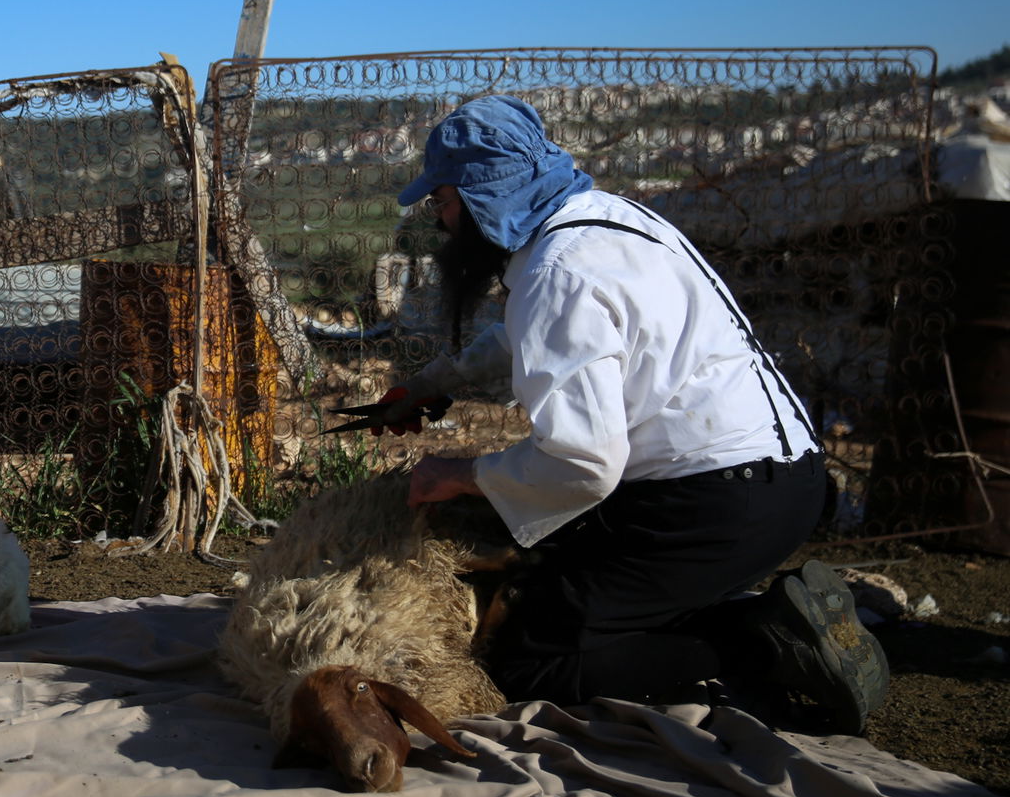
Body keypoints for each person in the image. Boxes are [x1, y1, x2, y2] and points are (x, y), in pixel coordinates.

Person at [378, 95, 889, 734]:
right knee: (559, 587)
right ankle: (765, 616)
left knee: (527, 660)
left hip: (712, 507)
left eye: (443, 202)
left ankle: (762, 642)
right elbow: (523, 339)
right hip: (789, 481)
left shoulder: (556, 274)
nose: (442, 221)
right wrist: (433, 385)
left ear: (484, 196)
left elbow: (583, 464)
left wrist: (458, 473)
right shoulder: (606, 221)